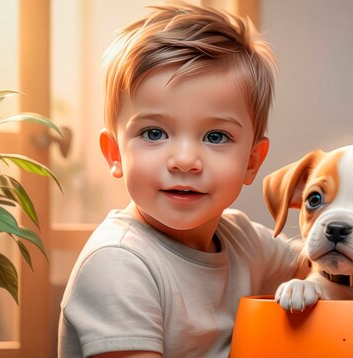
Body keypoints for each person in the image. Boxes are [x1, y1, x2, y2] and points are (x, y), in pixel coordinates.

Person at [58, 4, 309, 358]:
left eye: (216, 137)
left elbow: (323, 268)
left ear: (252, 162)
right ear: (115, 154)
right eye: (154, 132)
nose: (185, 161)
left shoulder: (243, 241)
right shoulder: (118, 263)